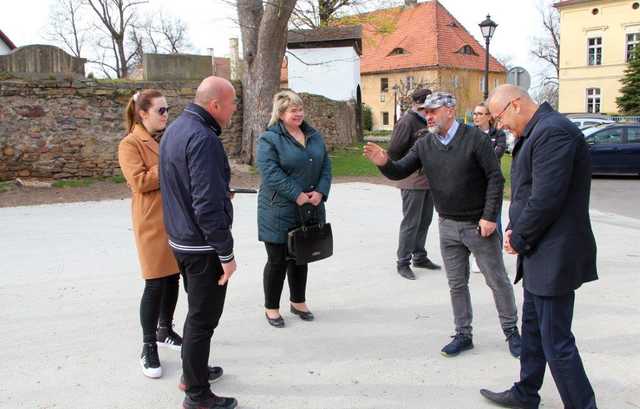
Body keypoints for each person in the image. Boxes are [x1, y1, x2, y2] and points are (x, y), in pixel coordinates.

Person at [364, 92, 521, 358]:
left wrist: (489, 216)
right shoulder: (425, 143)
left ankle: (512, 333)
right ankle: (463, 334)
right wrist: (384, 163)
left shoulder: (475, 139)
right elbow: (401, 170)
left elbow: (495, 178)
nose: (428, 116)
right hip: (447, 225)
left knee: (497, 281)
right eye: (426, 112)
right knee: (456, 284)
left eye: (433, 111)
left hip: (478, 225)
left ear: (450, 110)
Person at [480, 85, 598, 409]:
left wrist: (518, 237)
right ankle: (525, 393)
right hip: (539, 252)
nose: (499, 125)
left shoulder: (553, 132)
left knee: (556, 342)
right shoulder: (538, 132)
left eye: (499, 117)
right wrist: (516, 230)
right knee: (532, 331)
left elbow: (546, 199)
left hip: (554, 255)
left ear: (515, 104)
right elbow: (528, 193)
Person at [159, 76, 238, 409]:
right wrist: (226, 253)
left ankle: (193, 373)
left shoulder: (175, 129)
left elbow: (187, 187)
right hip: (202, 246)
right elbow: (205, 207)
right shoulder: (203, 138)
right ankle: (197, 395)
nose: (234, 110)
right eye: (232, 103)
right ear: (215, 105)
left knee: (196, 315)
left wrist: (222, 193)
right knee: (203, 319)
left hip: (181, 239)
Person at [118, 89, 183, 379]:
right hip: (151, 222)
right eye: (160, 110)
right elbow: (139, 182)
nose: (166, 115)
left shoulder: (166, 139)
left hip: (175, 218)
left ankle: (164, 329)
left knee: (173, 278)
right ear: (143, 114)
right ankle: (148, 345)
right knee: (155, 283)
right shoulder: (130, 143)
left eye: (167, 109)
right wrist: (168, 165)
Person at [256, 90, 332, 328]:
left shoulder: (313, 135)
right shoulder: (269, 139)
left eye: (300, 108)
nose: (298, 113)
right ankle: (271, 308)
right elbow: (270, 173)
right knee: (277, 260)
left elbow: (326, 166)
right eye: (293, 109)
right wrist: (296, 194)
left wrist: (320, 191)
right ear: (280, 113)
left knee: (301, 257)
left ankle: (298, 302)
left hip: (309, 207)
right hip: (278, 208)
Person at [387, 88, 441, 280]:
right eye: (424, 106)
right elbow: (393, 151)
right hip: (412, 180)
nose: (427, 111)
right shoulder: (407, 121)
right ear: (416, 104)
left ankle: (420, 256)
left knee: (425, 220)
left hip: (429, 180)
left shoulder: (429, 119)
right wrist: (410, 161)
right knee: (411, 222)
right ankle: (403, 261)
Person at [473, 102, 507, 244]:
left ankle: (496, 255)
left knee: (494, 219)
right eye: (474, 114)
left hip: (492, 184)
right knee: (475, 220)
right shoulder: (470, 134)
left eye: (480, 114)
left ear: (489, 116)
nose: (476, 117)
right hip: (474, 183)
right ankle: (477, 254)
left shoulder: (498, 135)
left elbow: (496, 154)